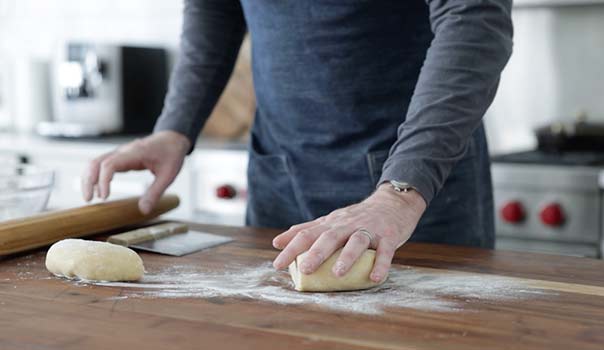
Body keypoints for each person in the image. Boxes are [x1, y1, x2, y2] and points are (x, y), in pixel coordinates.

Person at [82, 0, 513, 284]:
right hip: (281, 178)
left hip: (417, 189)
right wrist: (175, 127)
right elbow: (215, 10)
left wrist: (401, 191)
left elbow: (473, 17)